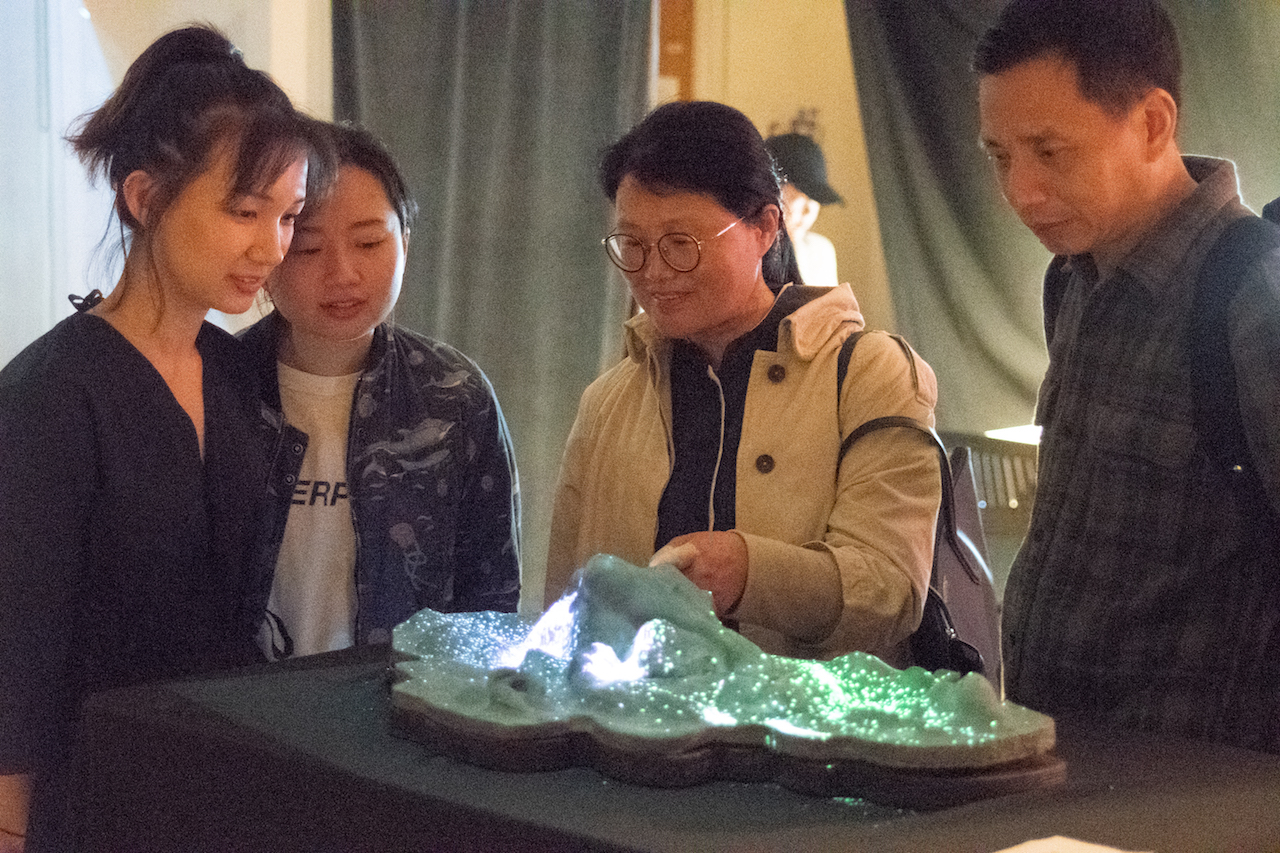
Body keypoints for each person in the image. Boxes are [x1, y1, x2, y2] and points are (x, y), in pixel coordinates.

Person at [0, 26, 325, 850]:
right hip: (94, 790)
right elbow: (19, 644)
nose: (271, 246)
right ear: (143, 198)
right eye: (244, 212)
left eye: (287, 217)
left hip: (221, 775)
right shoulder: (53, 392)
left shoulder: (236, 368)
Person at [975, 0, 1280, 750]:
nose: (1021, 191)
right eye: (999, 156)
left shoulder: (1253, 294)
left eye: (1050, 151)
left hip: (1203, 778)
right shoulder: (1070, 280)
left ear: (1151, 123)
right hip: (1061, 751)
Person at [545, 101, 941, 662]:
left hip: (810, 739)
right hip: (638, 739)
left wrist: (750, 572)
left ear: (764, 226)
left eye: (681, 244)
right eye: (631, 245)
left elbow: (891, 589)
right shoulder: (608, 402)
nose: (653, 273)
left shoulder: (870, 374)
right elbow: (563, 611)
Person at [239, 122, 521, 660]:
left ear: (405, 243)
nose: (343, 273)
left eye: (369, 242)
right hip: (242, 714)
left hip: (397, 714)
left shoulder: (453, 395)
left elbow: (491, 598)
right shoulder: (217, 386)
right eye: (309, 247)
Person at [765, 132, 843, 289]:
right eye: (802, 196)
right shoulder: (745, 251)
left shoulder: (820, 251)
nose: (810, 210)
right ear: (773, 189)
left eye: (816, 200)